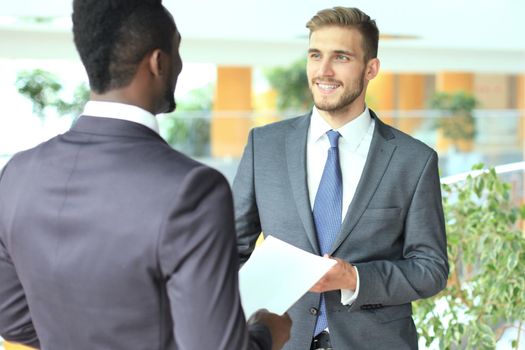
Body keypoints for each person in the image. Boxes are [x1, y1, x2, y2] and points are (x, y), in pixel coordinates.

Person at [0, 0, 291, 349]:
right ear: (158, 62)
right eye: (177, 51)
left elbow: (13, 320)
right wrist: (266, 332)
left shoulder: (17, 173)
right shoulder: (193, 189)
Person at [233, 6, 448, 350]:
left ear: (370, 69)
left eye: (341, 57)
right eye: (315, 55)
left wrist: (354, 277)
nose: (324, 70)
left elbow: (431, 268)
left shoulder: (414, 160)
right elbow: (230, 249)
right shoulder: (264, 145)